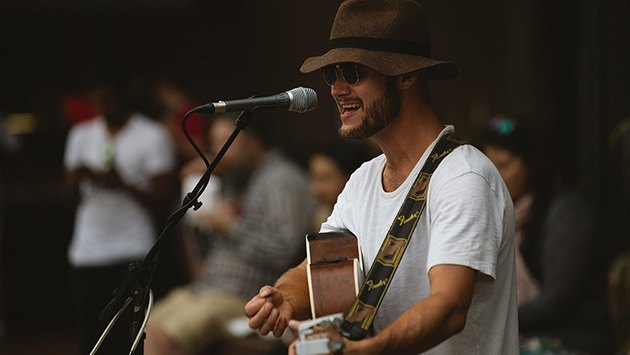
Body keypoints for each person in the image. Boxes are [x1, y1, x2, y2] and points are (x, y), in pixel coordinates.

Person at [245, 0, 519, 354]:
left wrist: (371, 350)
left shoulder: (462, 178)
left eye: (354, 72)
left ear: (406, 75)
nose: (336, 89)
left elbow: (450, 308)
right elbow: (327, 269)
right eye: (333, 74)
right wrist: (283, 297)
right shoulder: (363, 182)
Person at [145, 113, 315, 355]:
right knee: (142, 328)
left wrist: (231, 226)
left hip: (246, 296)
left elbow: (285, 251)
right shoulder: (233, 180)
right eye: (214, 142)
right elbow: (201, 250)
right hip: (207, 288)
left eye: (226, 142)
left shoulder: (282, 181)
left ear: (253, 143)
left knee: (160, 339)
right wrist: (194, 189)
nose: (217, 150)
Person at [63, 60, 178, 354]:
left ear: (123, 95)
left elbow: (166, 199)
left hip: (133, 251)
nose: (102, 106)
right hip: (87, 252)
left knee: (133, 338)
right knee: (91, 337)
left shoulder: (152, 135)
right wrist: (77, 179)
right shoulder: (81, 135)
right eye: (96, 99)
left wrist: (122, 184)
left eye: (108, 98)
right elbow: (70, 200)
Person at [482, 115, 613, 354]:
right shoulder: (510, 213)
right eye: (489, 165)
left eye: (503, 165)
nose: (494, 175)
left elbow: (557, 302)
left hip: (573, 343)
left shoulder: (567, 214)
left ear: (530, 165)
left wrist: (488, 320)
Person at [308, 140, 371, 231]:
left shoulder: (364, 218)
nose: (317, 188)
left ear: (351, 176)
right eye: (314, 177)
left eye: (326, 178)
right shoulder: (321, 215)